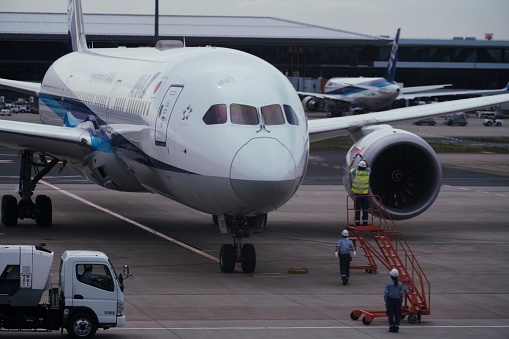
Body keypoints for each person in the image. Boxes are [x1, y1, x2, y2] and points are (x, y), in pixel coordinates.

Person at [349, 157, 371, 226]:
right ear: (364, 167)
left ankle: (357, 222)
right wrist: (364, 159)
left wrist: (353, 159)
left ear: (358, 166)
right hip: (365, 195)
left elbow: (350, 166)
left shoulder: (355, 172)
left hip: (357, 195)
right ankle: (365, 222)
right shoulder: (367, 173)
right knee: (365, 209)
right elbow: (369, 167)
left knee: (357, 209)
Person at [384, 268, 404, 333]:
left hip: (390, 301)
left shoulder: (388, 284)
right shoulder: (400, 284)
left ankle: (391, 327)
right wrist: (401, 301)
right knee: (397, 315)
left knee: (390, 315)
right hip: (397, 301)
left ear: (391, 276)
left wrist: (385, 301)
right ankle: (396, 327)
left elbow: (386, 293)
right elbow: (401, 294)